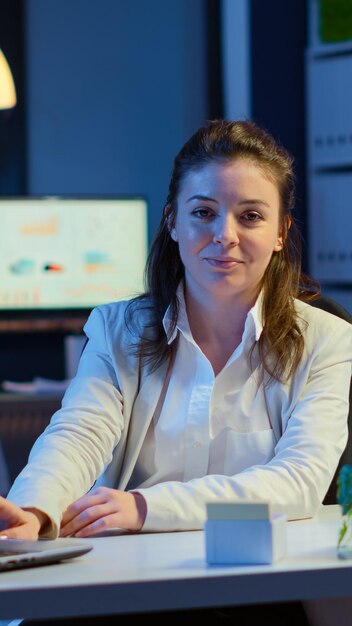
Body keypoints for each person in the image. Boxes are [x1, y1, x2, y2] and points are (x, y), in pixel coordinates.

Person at [0, 119, 351, 624]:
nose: (223, 236)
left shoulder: (328, 339)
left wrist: (145, 509)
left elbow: (298, 481)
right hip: (125, 581)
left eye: (250, 216)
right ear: (172, 223)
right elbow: (79, 433)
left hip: (254, 589)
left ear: (280, 233)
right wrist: (33, 512)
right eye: (203, 213)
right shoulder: (117, 327)